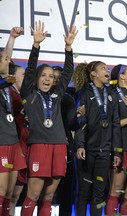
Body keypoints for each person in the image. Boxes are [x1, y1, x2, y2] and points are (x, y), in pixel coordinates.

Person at [20, 21, 77, 216]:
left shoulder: (57, 95)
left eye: (51, 76)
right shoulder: (29, 93)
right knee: (34, 193)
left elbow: (68, 72)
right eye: (43, 75)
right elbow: (29, 70)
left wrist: (68, 48)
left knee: (49, 195)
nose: (47, 79)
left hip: (59, 145)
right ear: (36, 78)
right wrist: (36, 45)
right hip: (38, 145)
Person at [74, 61, 122, 216]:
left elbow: (115, 124)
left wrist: (117, 152)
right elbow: (81, 120)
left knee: (99, 193)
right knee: (84, 191)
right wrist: (80, 144)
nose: (107, 71)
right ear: (93, 74)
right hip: (87, 150)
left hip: (105, 151)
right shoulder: (84, 93)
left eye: (107, 68)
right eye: (103, 68)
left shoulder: (112, 94)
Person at [105, 64, 127, 215]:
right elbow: (105, 124)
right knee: (116, 190)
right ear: (122, 76)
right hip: (120, 147)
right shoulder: (110, 94)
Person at [0, 27, 26, 216]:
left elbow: (6, 60)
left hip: (13, 143)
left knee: (9, 193)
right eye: (3, 60)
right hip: (1, 144)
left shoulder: (7, 86)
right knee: (1, 192)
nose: (7, 61)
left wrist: (11, 38)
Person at [52, 65, 78, 216]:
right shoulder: (38, 96)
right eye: (52, 77)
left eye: (58, 78)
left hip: (65, 147)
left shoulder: (68, 98)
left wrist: (78, 116)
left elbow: (72, 124)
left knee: (65, 190)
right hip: (44, 147)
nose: (55, 80)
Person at [8, 62, 29, 216]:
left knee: (14, 197)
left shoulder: (20, 97)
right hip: (12, 151)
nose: (26, 78)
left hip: (23, 151)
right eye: (23, 75)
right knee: (7, 196)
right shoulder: (9, 95)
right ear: (13, 77)